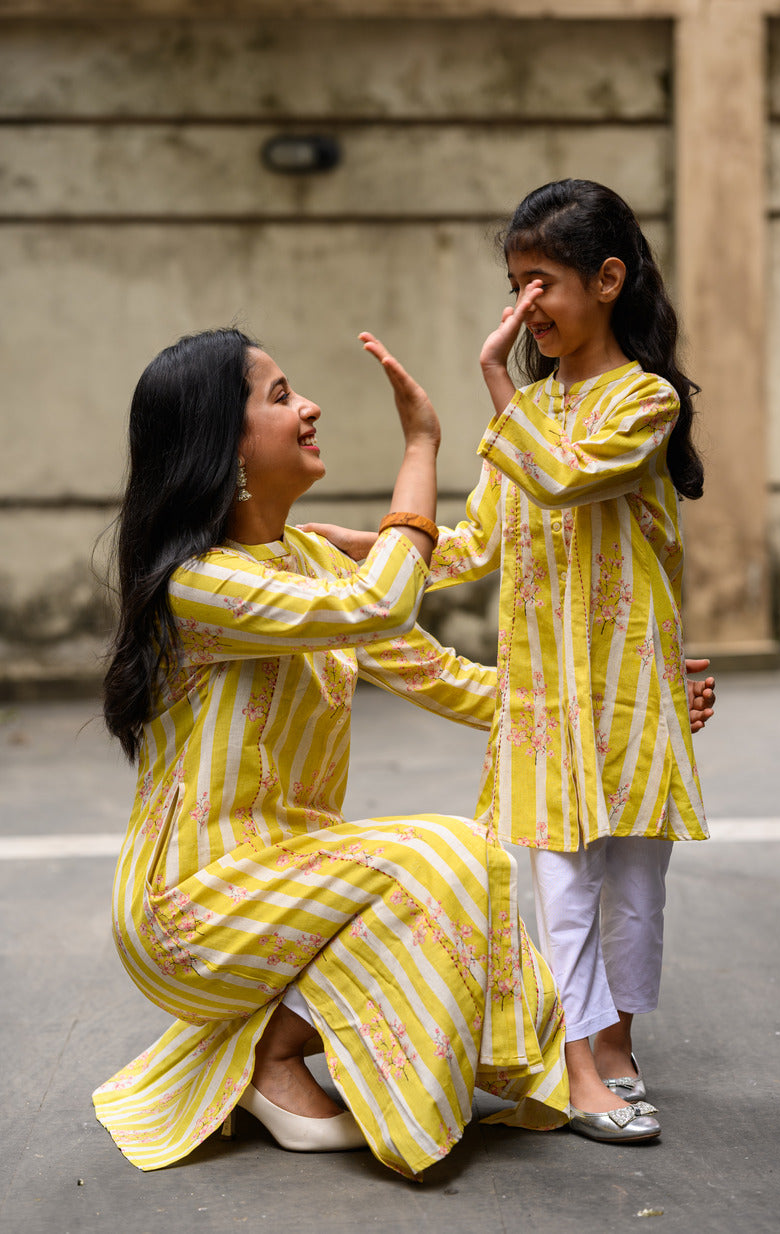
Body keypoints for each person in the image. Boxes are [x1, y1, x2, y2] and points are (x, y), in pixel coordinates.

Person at [93, 326, 568, 1179]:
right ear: (223, 446)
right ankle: (270, 1056)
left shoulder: (309, 560)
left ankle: (259, 1061)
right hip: (190, 907)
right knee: (442, 856)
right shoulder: (197, 585)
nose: (308, 406)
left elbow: (452, 682)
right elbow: (385, 601)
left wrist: (625, 706)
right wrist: (419, 447)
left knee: (458, 864)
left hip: (296, 877)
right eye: (279, 397)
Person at [304, 179, 715, 1144]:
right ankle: (580, 1066)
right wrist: (380, 543)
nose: (524, 306)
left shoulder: (642, 403)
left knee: (634, 888)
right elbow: (475, 545)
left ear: (607, 281)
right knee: (562, 885)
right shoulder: (524, 421)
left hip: (629, 696)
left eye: (542, 284)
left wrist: (496, 381)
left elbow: (564, 477)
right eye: (513, 284)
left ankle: (614, 1043)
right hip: (542, 701)